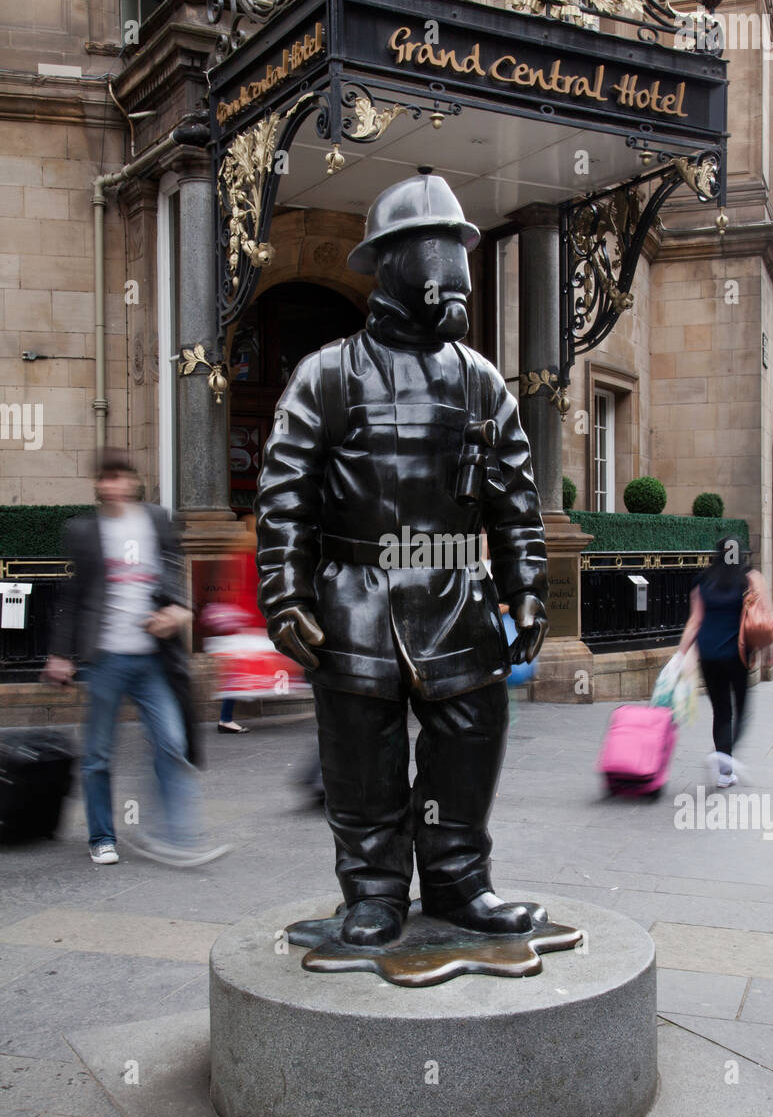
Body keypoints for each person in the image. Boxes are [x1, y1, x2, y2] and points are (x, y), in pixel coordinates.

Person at [256, 173, 548, 947]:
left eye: (457, 248)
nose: (449, 266)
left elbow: (515, 501)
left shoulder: (481, 381)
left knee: (471, 738)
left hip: (457, 591)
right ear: (388, 264)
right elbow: (284, 494)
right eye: (435, 248)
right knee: (361, 756)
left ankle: (458, 881)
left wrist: (529, 590)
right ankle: (375, 890)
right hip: (355, 598)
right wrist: (285, 593)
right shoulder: (327, 375)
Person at [43, 452, 230, 867]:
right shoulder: (83, 531)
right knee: (97, 753)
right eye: (104, 479)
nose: (111, 486)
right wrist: (59, 653)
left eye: (118, 477)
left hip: (151, 659)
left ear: (132, 481)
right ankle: (102, 837)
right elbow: (71, 598)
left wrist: (179, 608)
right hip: (105, 658)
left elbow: (172, 570)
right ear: (97, 485)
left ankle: (173, 836)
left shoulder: (156, 520)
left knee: (172, 743)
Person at [678, 538, 770, 788]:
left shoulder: (703, 580)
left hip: (708, 654)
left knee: (721, 711)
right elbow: (764, 615)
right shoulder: (749, 578)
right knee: (741, 709)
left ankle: (724, 771)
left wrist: (681, 654)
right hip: (737, 654)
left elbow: (695, 621)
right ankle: (724, 759)